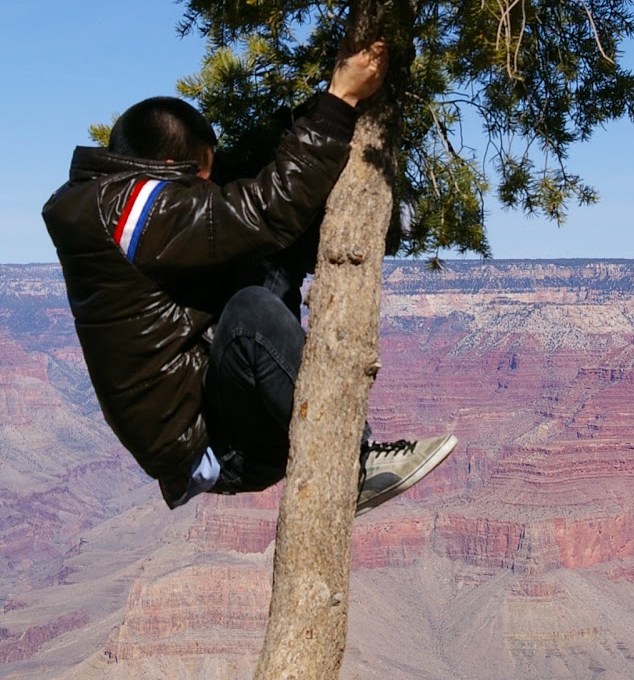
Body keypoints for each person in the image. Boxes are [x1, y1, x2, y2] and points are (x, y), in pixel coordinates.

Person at [42, 42, 456, 510]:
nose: (207, 185)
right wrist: (339, 99)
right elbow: (266, 208)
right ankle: (354, 466)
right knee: (249, 315)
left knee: (269, 253)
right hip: (219, 449)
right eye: (204, 173)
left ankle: (382, 221)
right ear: (182, 164)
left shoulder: (111, 202)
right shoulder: (133, 216)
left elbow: (241, 194)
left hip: (212, 406)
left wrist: (309, 114)